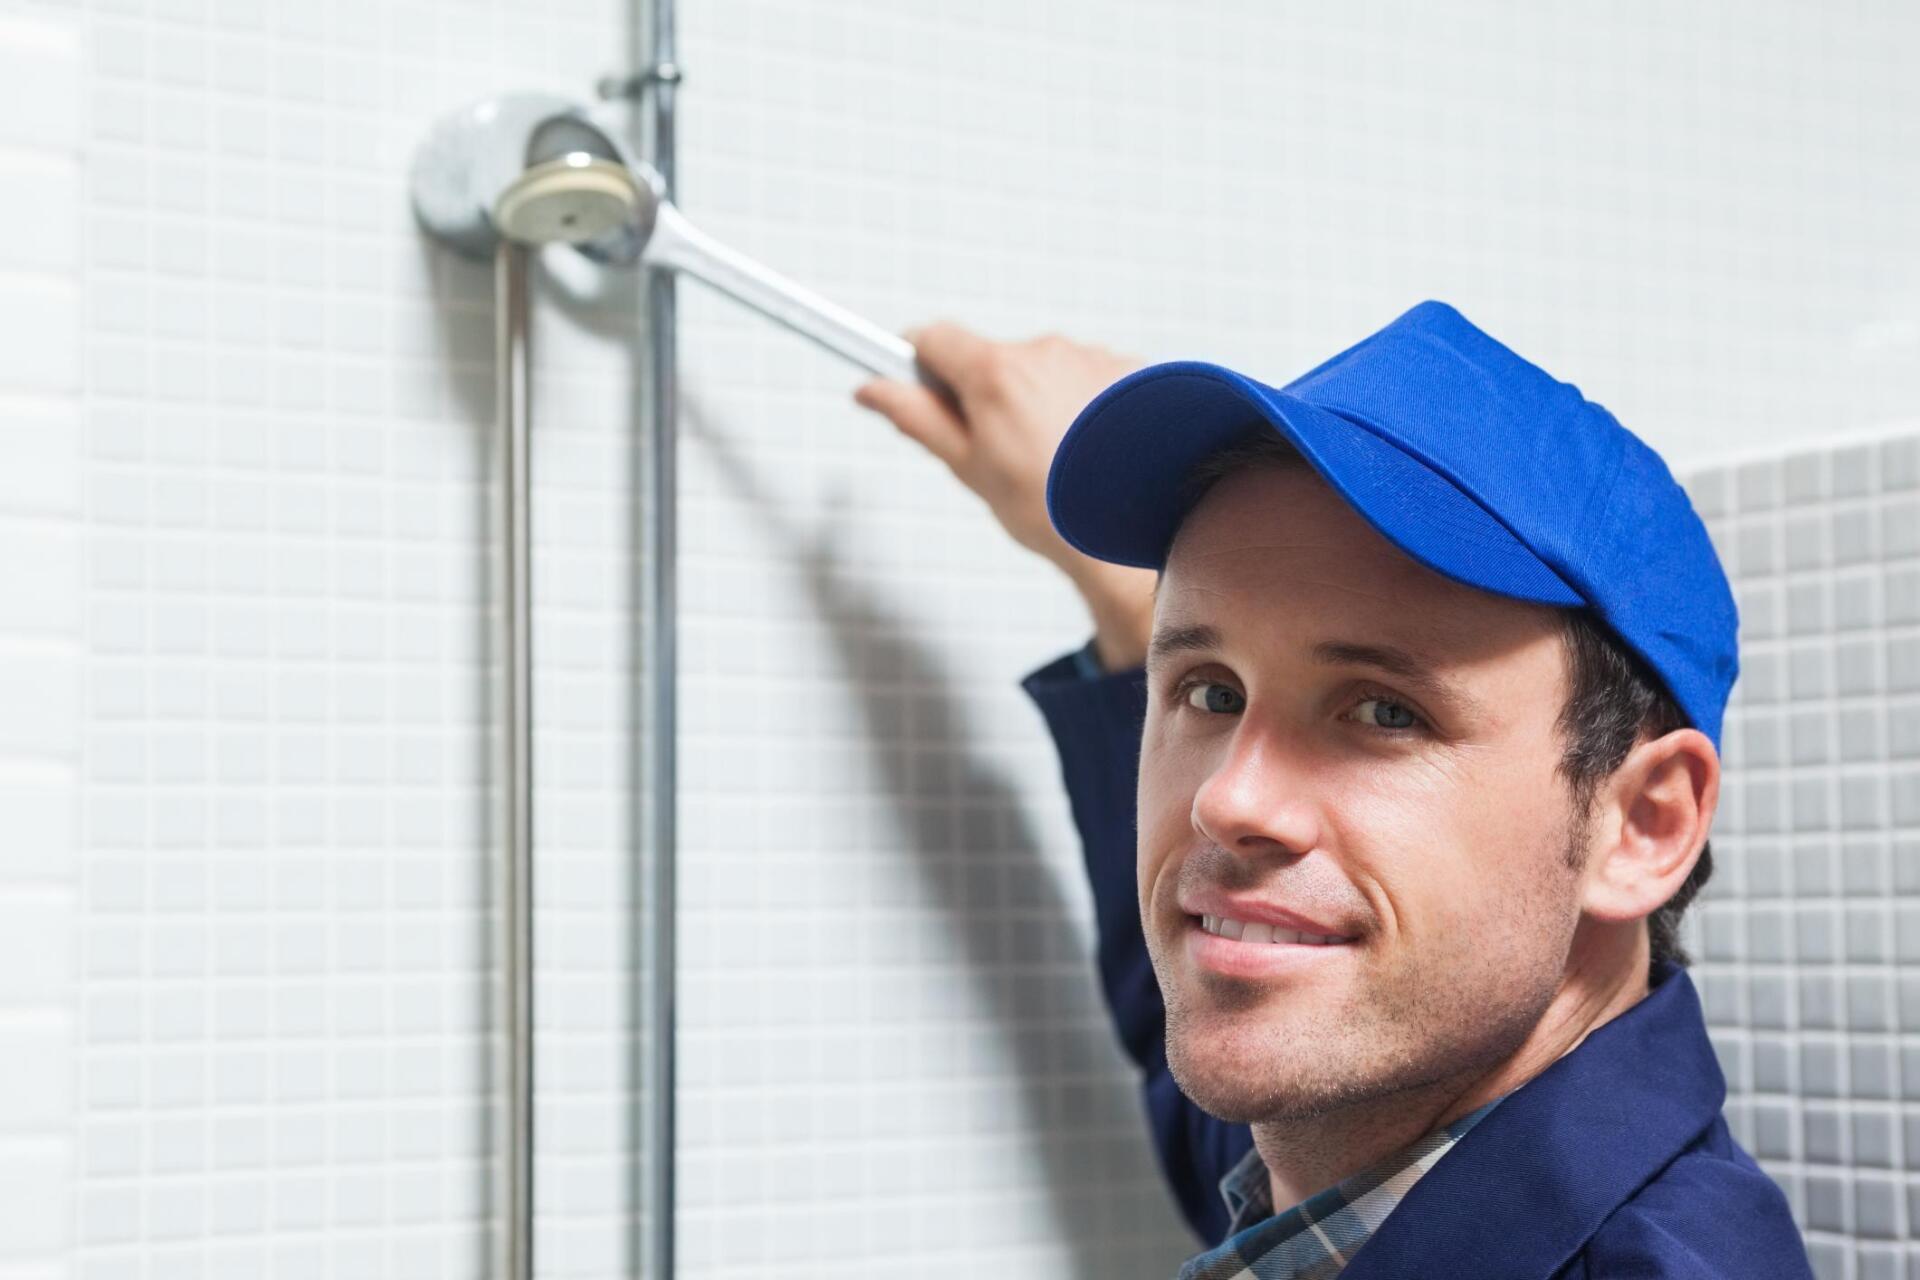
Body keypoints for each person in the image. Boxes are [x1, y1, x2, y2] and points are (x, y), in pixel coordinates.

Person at [854, 302, 1815, 1279]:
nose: (1229, 801)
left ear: (1642, 825)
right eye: (1212, 690)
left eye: (1386, 711)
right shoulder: (1362, 1165)